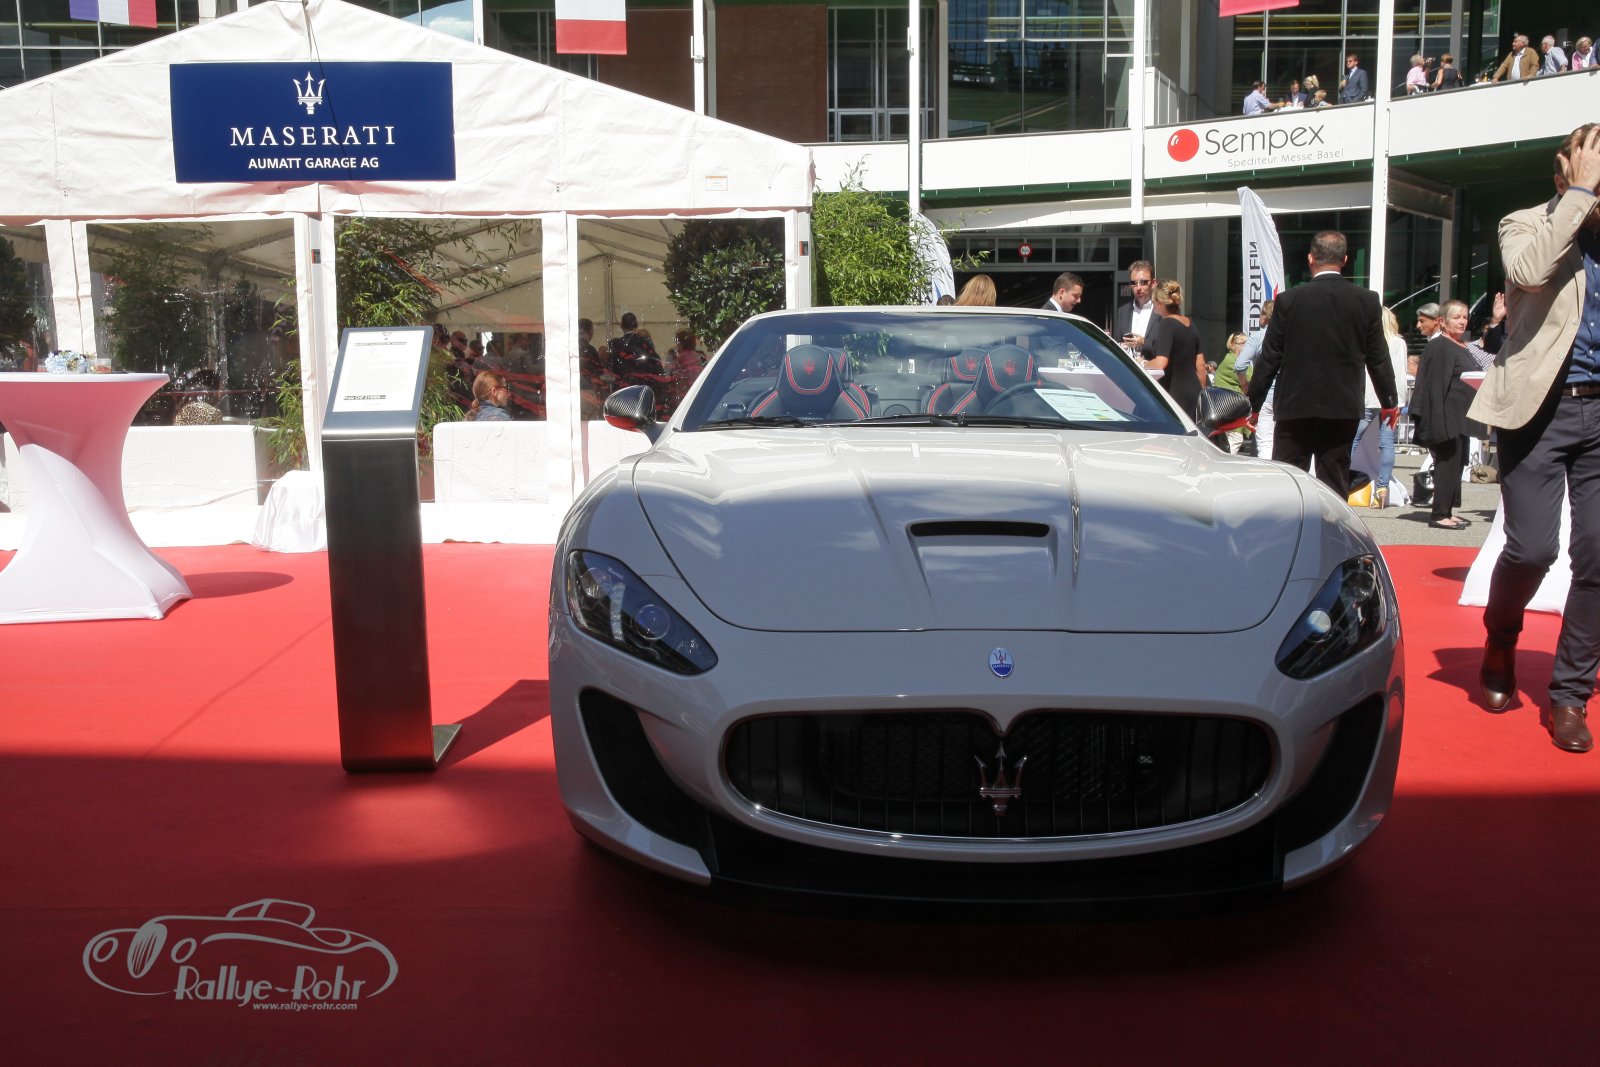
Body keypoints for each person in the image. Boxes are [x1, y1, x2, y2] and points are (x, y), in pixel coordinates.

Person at [1471, 124, 1600, 752]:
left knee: (1598, 554)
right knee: (1531, 550)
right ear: (1563, 171)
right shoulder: (1524, 222)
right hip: (1538, 410)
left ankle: (1571, 694)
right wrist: (1580, 196)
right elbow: (1528, 271)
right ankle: (1501, 638)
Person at [1245, 230, 1399, 498]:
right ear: (1345, 259)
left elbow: (1270, 357)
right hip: (1342, 405)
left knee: (1290, 479)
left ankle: (1291, 524)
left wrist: (1253, 405)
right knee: (1334, 479)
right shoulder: (1366, 301)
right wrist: (1389, 401)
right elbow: (1378, 357)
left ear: (1310, 258)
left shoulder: (1289, 300)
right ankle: (1332, 524)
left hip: (1295, 405)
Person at [1410, 300, 1478, 529]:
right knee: (1446, 464)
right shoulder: (1440, 346)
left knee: (1456, 464)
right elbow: (1435, 387)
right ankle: (1439, 514)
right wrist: (1437, 423)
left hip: (1459, 417)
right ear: (1442, 321)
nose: (1462, 321)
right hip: (1445, 417)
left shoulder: (1461, 345)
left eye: (1465, 317)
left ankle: (1446, 510)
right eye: (1457, 317)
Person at [1352, 307, 1410, 507]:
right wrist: (1399, 400)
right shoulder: (1399, 342)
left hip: (1368, 396)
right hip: (1391, 398)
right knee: (1387, 443)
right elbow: (1401, 372)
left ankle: (1340, 482)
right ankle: (1382, 488)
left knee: (1351, 441)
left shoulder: (1366, 340)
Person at [1142, 280, 1206, 424]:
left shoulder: (1167, 324)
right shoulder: (1191, 324)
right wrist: (1202, 393)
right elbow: (1200, 365)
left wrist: (1143, 364)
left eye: (1153, 301)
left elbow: (1161, 363)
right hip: (1194, 392)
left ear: (1160, 303)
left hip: (1175, 394)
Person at [1233, 298, 1274, 457]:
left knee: (1265, 444)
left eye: (1261, 313)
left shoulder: (1258, 337)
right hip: (1287, 397)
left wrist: (1245, 386)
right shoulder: (1290, 337)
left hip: (1264, 397)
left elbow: (1240, 365)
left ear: (1266, 315)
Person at [1212, 332, 1251, 453]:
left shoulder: (1232, 358)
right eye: (1246, 344)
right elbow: (1251, 377)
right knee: (1235, 439)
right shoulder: (1233, 360)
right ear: (1236, 345)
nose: (1248, 347)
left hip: (1230, 407)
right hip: (1230, 408)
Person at [1112, 260, 1156, 353]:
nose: (1138, 288)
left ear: (1153, 283)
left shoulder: (1161, 310)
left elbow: (1167, 347)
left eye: (1143, 282)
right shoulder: (1123, 311)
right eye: (1134, 283)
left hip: (1152, 361)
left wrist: (1143, 343)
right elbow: (1118, 341)